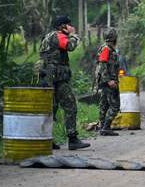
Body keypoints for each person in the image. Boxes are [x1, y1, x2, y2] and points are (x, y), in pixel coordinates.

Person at [37, 15, 89, 150]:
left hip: (46, 78)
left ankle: (46, 139)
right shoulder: (59, 36)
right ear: (63, 26)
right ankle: (72, 139)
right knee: (70, 105)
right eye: (69, 25)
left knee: (50, 109)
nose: (71, 27)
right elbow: (70, 46)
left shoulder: (47, 36)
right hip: (57, 79)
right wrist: (73, 34)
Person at [96, 27, 121, 136]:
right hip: (108, 82)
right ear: (114, 38)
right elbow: (102, 65)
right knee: (115, 104)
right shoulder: (106, 49)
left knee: (104, 105)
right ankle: (106, 126)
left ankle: (103, 127)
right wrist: (109, 81)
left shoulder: (108, 49)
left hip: (106, 81)